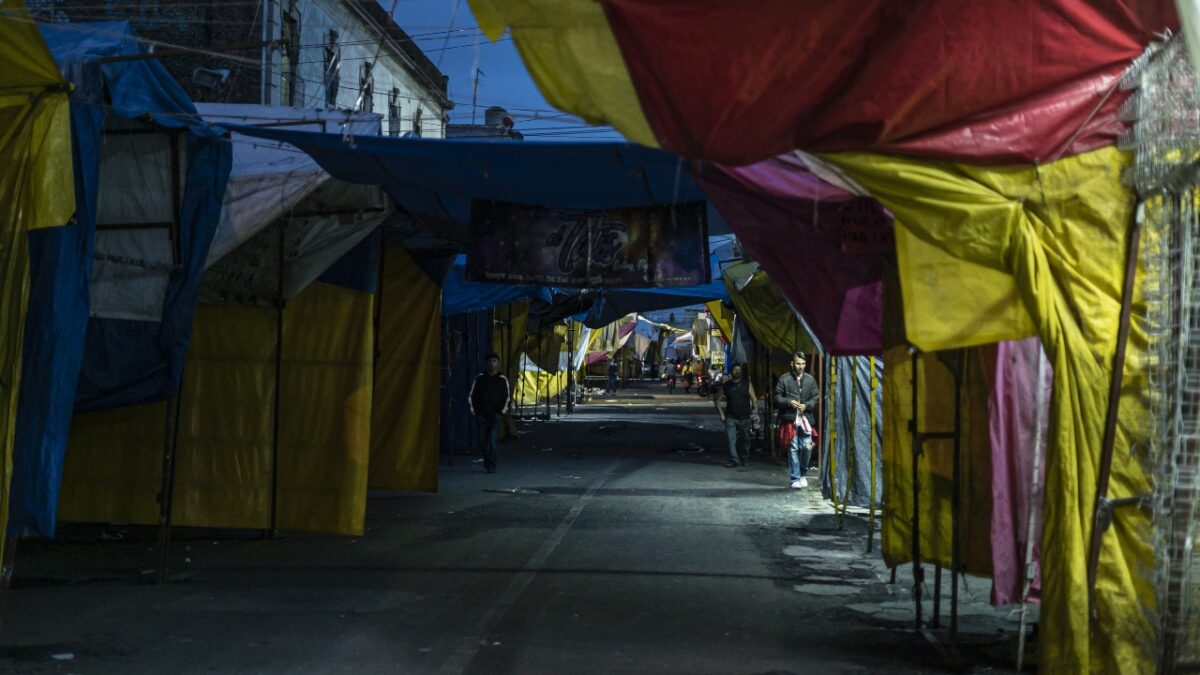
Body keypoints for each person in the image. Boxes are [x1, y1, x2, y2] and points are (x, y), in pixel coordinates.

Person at [774, 351, 819, 489]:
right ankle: (795, 478)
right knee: (793, 449)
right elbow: (777, 397)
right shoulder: (784, 379)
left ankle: (803, 474)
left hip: (806, 419)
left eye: (803, 364)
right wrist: (789, 402)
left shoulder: (810, 380)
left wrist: (807, 405)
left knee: (807, 447)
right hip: (790, 419)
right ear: (792, 364)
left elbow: (815, 397)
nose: (801, 366)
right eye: (798, 363)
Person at [469, 352, 510, 474]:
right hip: (481, 416)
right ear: (485, 363)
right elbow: (472, 396)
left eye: (494, 361)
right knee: (482, 442)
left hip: (495, 416)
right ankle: (488, 461)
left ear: (498, 363)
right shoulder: (480, 379)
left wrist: (500, 413)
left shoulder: (502, 380)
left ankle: (491, 464)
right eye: (489, 361)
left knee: (492, 440)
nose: (491, 364)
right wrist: (476, 413)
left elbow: (506, 398)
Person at [714, 362, 757, 467]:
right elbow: (716, 400)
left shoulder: (747, 383)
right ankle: (734, 460)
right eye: (734, 370)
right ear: (731, 371)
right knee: (731, 440)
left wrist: (755, 412)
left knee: (745, 440)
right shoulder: (727, 385)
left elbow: (754, 399)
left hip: (745, 417)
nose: (737, 372)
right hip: (730, 417)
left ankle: (744, 458)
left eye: (739, 370)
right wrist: (721, 414)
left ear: (742, 372)